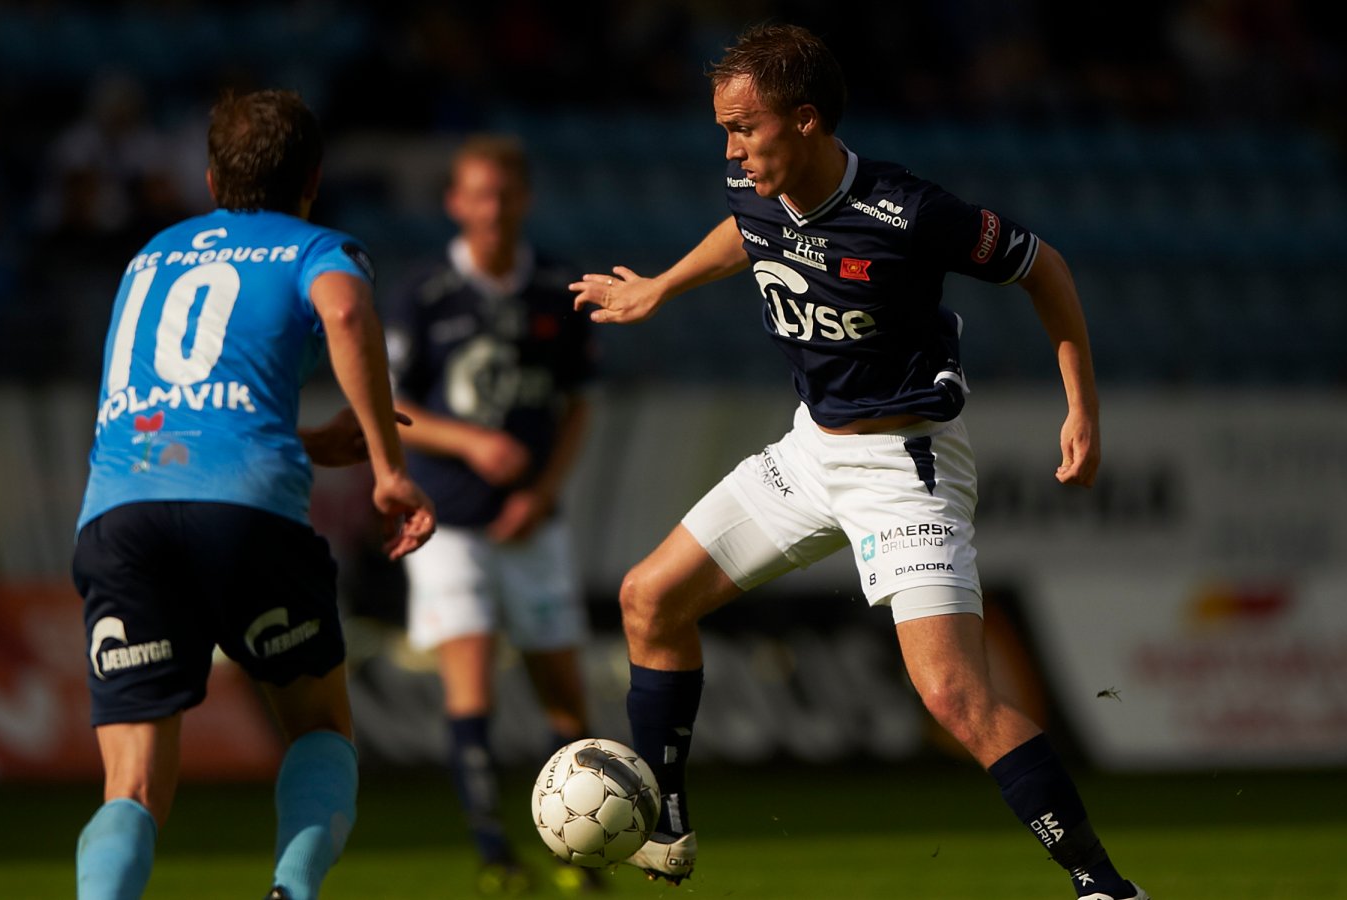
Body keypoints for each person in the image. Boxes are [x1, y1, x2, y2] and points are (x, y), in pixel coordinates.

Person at [569, 24, 1147, 900]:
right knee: (649, 598)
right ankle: (665, 824)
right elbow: (748, 230)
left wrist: (1083, 408)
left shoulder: (908, 212)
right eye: (724, 130)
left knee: (954, 698)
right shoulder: (755, 183)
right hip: (810, 452)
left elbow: (1045, 268)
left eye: (744, 128)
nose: (730, 150)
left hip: (905, 469)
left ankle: (1105, 885)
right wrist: (660, 284)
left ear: (805, 120)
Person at [71, 88, 436, 900]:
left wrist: (300, 442)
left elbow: (173, 414)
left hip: (120, 516)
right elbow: (346, 313)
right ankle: (290, 891)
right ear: (314, 179)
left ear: (210, 180)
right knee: (319, 725)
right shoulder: (318, 247)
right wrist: (386, 467)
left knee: (131, 783)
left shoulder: (149, 256)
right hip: (247, 519)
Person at [382, 134, 600, 894]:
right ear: (455, 202)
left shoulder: (555, 288)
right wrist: (473, 443)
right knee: (470, 680)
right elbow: (393, 406)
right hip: (447, 522)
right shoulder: (426, 291)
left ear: (524, 199)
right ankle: (495, 855)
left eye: (504, 194)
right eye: (478, 194)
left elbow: (578, 405)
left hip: (532, 521)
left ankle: (581, 850)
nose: (493, 208)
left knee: (562, 690)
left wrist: (541, 493)